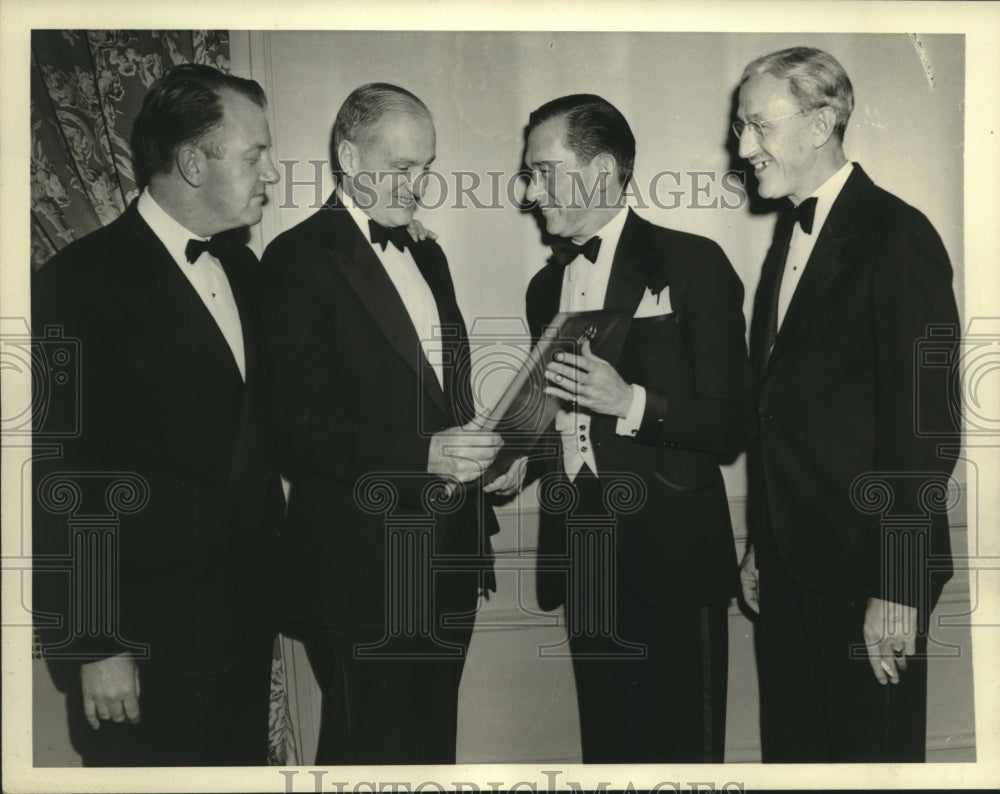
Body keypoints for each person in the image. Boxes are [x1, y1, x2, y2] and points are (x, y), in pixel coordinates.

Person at [31, 63, 286, 766]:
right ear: (192, 161)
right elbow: (57, 477)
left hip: (241, 628)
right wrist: (95, 642)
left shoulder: (244, 271)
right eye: (255, 154)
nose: (271, 172)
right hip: (142, 651)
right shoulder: (76, 284)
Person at [259, 82, 514, 765]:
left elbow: (441, 398)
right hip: (358, 569)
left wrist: (490, 453)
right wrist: (425, 457)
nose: (419, 186)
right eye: (402, 168)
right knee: (368, 757)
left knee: (431, 756)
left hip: (448, 557)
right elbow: (295, 424)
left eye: (426, 168)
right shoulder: (295, 258)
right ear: (348, 155)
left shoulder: (426, 251)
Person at [734, 46, 961, 762]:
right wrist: (760, 542)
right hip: (789, 570)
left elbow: (925, 430)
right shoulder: (787, 236)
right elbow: (784, 411)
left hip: (869, 576)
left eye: (757, 127)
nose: (744, 149)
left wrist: (895, 584)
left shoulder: (897, 235)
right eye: (742, 129)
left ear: (822, 120)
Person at [520, 94, 755, 763]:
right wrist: (523, 456)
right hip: (581, 556)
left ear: (599, 169)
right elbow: (558, 421)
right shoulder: (545, 288)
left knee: (684, 757)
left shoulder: (693, 263)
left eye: (542, 170)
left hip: (674, 559)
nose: (528, 189)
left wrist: (633, 402)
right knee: (608, 753)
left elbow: (734, 423)